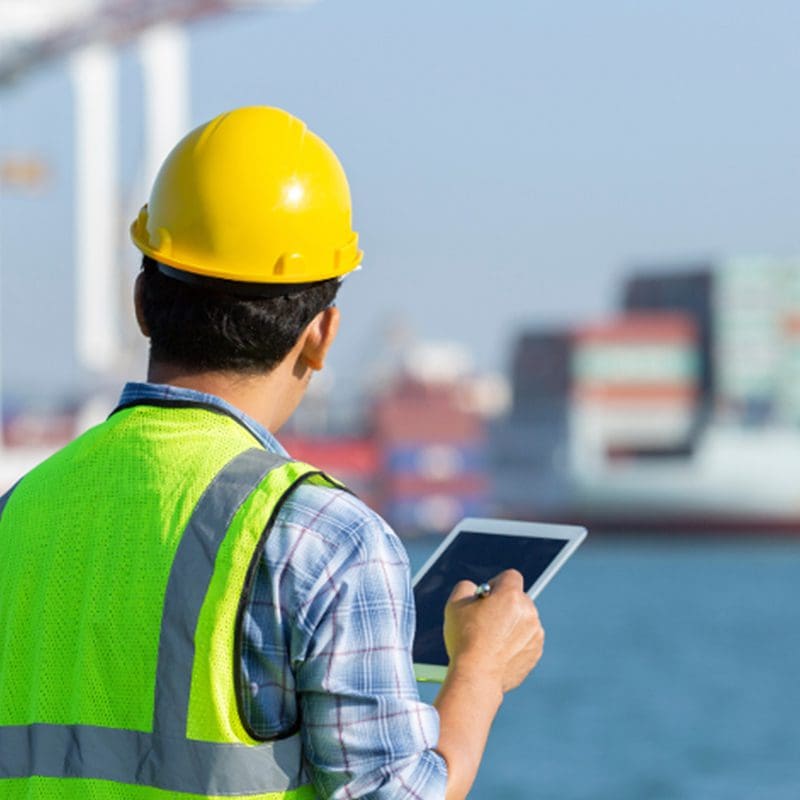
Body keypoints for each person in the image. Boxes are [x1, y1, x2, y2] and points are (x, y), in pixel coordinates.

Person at [0, 106, 544, 800]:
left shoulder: (17, 511)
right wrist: (480, 674)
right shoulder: (326, 537)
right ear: (322, 334)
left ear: (141, 301)